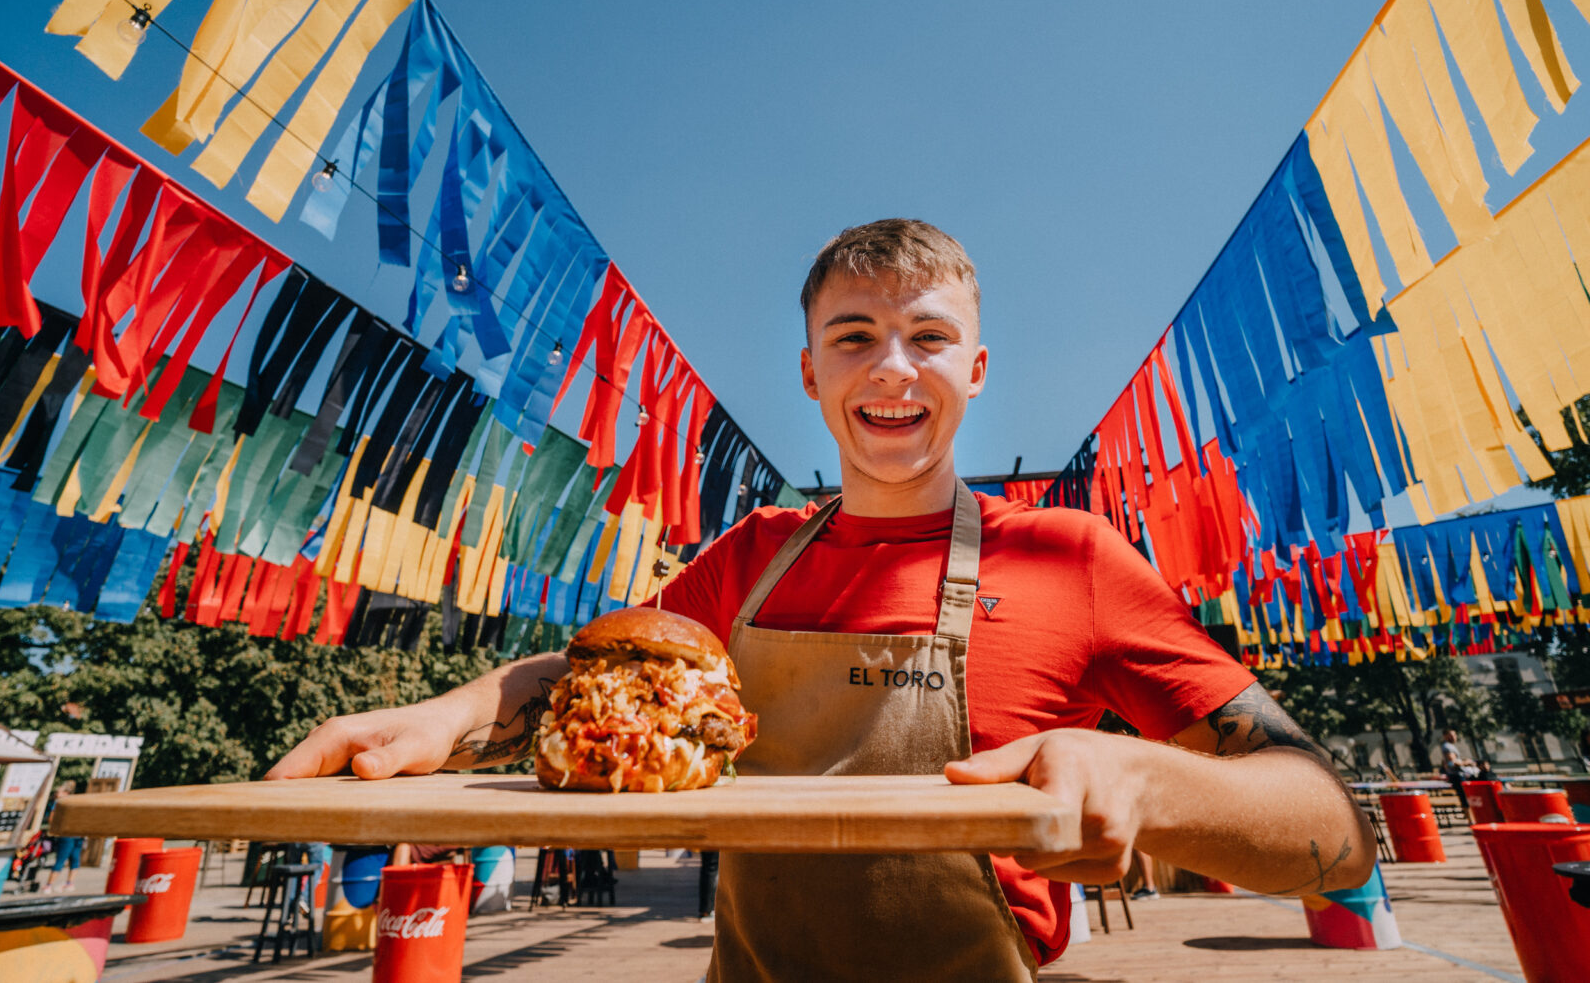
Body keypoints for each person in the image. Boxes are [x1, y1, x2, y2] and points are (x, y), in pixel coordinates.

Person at [270, 220, 1374, 979]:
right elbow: (601, 681)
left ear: (976, 368)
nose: (892, 368)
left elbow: (1335, 831)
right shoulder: (749, 553)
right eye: (855, 336)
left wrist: (1151, 776)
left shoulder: (1070, 556)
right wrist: (439, 718)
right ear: (809, 372)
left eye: (928, 337)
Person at [41, 783, 84, 893]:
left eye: (58, 792)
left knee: (60, 859)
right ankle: (69, 883)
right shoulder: (77, 802)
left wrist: (56, 829)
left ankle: (48, 885)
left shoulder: (59, 802)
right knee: (75, 859)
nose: (56, 794)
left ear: (66, 793)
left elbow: (52, 819)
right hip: (79, 833)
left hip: (66, 834)